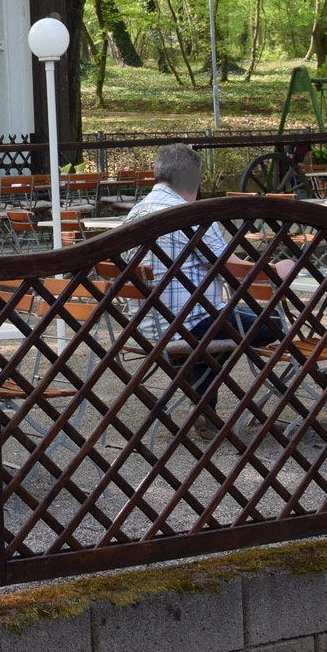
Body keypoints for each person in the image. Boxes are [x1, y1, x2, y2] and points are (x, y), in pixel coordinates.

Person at [123, 144, 280, 438]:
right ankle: (203, 406)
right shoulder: (190, 216)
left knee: (222, 325)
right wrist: (278, 270)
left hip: (144, 327)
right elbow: (236, 270)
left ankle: (204, 407)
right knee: (271, 323)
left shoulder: (134, 214)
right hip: (186, 327)